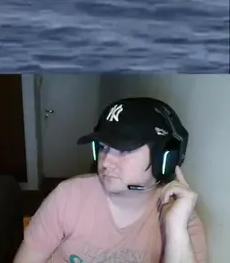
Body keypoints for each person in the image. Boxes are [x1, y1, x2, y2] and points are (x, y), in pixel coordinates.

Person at [13, 97, 207, 263]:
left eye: (124, 150)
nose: (106, 162)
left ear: (165, 158)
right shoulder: (68, 196)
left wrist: (175, 231)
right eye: (103, 147)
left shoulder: (182, 220)